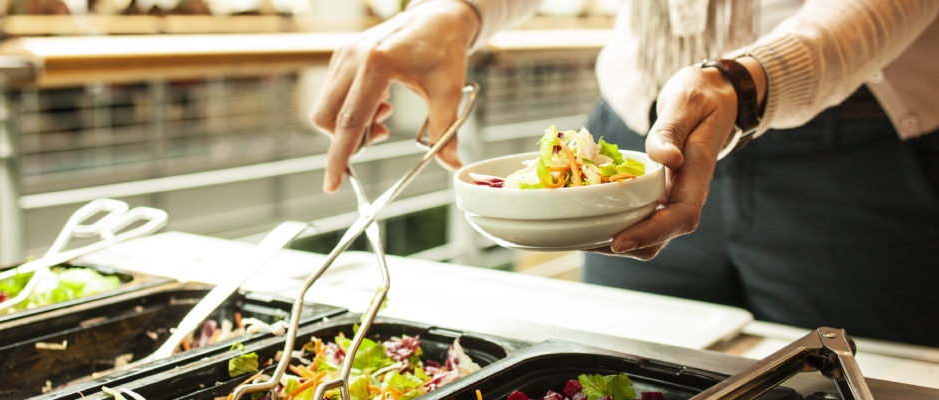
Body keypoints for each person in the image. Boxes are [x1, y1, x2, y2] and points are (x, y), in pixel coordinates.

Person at [309, 0, 939, 348]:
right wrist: (461, 10)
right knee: (619, 374)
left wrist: (747, 83)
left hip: (859, 152)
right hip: (634, 139)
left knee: (858, 381)